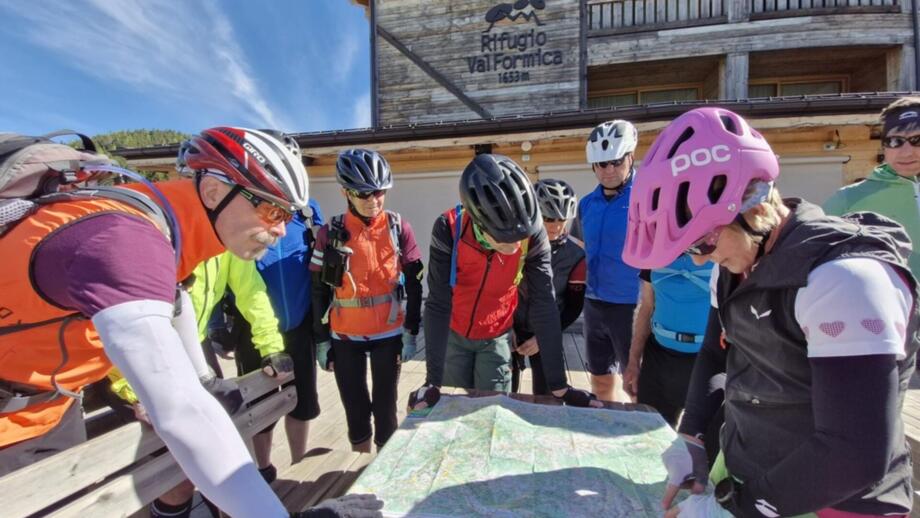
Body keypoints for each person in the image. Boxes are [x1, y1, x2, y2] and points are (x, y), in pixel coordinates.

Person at [0, 127, 380, 518]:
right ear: (214, 191)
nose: (282, 228)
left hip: (51, 405)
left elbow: (193, 371)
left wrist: (210, 382)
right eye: (271, 209)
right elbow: (181, 409)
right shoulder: (125, 241)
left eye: (288, 214)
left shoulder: (172, 232)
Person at [622, 107, 916, 517]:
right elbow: (715, 352)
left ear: (754, 205)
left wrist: (738, 508)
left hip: (836, 499)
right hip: (752, 464)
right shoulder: (736, 262)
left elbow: (856, 451)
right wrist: (692, 437)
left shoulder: (845, 281)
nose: (702, 260)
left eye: (702, 244)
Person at [106, 249, 290, 518]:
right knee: (177, 478)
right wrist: (133, 390)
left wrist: (271, 347)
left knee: (224, 462)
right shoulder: (161, 234)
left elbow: (251, 290)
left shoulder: (224, 239)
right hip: (135, 358)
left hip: (193, 346)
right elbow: (112, 314)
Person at [409, 153, 601, 411]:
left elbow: (544, 303)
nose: (514, 245)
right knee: (451, 412)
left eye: (519, 236)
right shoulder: (448, 227)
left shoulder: (533, 235)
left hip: (496, 335)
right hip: (454, 333)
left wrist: (560, 385)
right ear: (478, 221)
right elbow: (438, 303)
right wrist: (431, 381)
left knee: (490, 411)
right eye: (504, 238)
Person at [310, 149, 423, 452]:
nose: (373, 200)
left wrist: (411, 330)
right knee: (356, 410)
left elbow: (415, 282)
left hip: (389, 335)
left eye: (380, 192)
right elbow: (318, 290)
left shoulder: (399, 227)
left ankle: (382, 468)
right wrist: (321, 341)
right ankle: (357, 469)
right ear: (346, 192)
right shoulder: (330, 233)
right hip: (346, 336)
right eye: (364, 193)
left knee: (386, 409)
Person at [230, 197, 325, 472]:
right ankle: (264, 468)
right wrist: (216, 325)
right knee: (260, 406)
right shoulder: (246, 208)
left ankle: (299, 462)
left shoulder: (307, 212)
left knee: (303, 402)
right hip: (254, 331)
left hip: (300, 324)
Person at [573, 119, 642, 402]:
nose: (609, 170)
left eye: (616, 161)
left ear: (630, 157)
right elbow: (579, 248)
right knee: (600, 379)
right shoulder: (586, 204)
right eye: (602, 164)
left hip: (632, 306)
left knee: (635, 384)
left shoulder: (646, 198)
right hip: (594, 305)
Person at [823, 96, 920, 278]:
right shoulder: (848, 199)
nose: (906, 152)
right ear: (884, 147)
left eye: (917, 140)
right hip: (891, 305)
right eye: (894, 141)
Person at [510, 179, 586, 395]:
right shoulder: (514, 246)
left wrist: (543, 338)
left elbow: (573, 307)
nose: (556, 226)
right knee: (504, 395)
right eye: (548, 218)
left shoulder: (577, 255)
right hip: (510, 326)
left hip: (547, 331)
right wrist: (507, 327)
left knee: (547, 399)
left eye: (562, 219)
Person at [622, 253, 712, 427]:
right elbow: (647, 307)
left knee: (701, 445)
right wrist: (633, 362)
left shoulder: (720, 251)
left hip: (705, 361)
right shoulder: (655, 252)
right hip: (658, 359)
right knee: (647, 435)